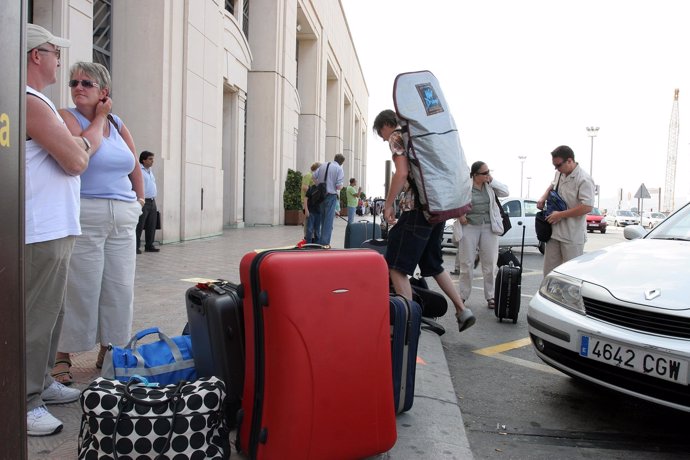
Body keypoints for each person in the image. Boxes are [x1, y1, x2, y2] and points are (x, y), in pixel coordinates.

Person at [25, 23, 107, 436]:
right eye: (53, 52)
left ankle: (41, 384)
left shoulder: (37, 100)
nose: (60, 59)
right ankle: (23, 400)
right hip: (39, 228)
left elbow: (77, 152)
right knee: (35, 317)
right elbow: (75, 161)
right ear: (36, 56)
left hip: (54, 225)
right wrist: (82, 148)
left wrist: (79, 147)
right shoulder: (29, 101)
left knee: (51, 312)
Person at [53, 61, 144, 381]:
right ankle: (63, 353)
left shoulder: (119, 124)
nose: (78, 87)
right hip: (86, 212)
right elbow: (84, 149)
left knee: (119, 286)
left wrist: (140, 200)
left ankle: (112, 345)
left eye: (86, 84)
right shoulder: (66, 117)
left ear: (104, 92)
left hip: (123, 215)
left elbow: (134, 164)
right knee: (81, 287)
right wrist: (101, 116)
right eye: (74, 82)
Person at [373, 109, 475, 332]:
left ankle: (407, 324)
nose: (384, 140)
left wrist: (388, 204)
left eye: (381, 135)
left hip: (416, 211)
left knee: (396, 266)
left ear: (385, 126)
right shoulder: (419, 137)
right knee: (434, 264)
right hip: (437, 209)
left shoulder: (396, 137)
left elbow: (400, 173)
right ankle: (462, 310)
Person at [455, 161, 509, 309]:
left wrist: (491, 180)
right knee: (466, 263)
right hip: (469, 226)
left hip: (488, 227)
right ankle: (463, 296)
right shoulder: (466, 186)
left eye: (488, 172)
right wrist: (460, 215)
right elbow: (455, 201)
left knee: (490, 263)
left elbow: (506, 192)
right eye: (484, 173)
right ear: (475, 174)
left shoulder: (490, 185)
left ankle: (490, 296)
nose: (487, 175)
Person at [537, 145, 594, 275]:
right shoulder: (559, 173)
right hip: (554, 233)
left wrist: (561, 215)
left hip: (572, 235)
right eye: (555, 166)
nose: (556, 169)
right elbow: (552, 185)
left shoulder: (584, 179)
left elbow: (587, 206)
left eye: (558, 165)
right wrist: (543, 197)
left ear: (569, 160)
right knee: (549, 273)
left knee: (571, 275)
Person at [314, 153, 345, 246]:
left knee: (322, 218)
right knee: (328, 220)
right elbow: (338, 186)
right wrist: (341, 186)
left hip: (321, 195)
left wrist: (319, 185)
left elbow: (313, 176)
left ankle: (319, 240)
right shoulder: (339, 169)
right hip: (331, 196)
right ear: (341, 162)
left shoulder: (324, 165)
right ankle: (325, 243)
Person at [135, 150, 159, 254]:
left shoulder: (150, 171)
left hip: (152, 201)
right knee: (140, 225)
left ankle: (149, 245)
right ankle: (135, 247)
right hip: (143, 201)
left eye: (152, 159)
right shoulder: (139, 170)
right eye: (150, 159)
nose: (152, 161)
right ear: (143, 160)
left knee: (151, 225)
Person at [301, 162, 321, 243]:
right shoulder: (308, 175)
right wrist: (314, 191)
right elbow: (304, 187)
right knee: (308, 220)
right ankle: (306, 237)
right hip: (306, 201)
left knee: (311, 221)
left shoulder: (314, 176)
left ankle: (312, 238)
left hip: (312, 202)